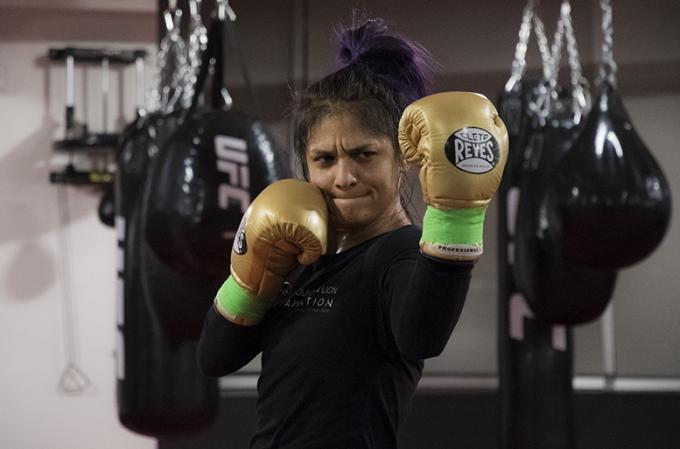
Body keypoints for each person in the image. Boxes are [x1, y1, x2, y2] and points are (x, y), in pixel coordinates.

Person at [197, 18, 508, 449]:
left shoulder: (399, 255)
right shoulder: (298, 251)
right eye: (324, 159)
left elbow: (422, 337)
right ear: (306, 166)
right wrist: (248, 282)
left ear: (403, 158)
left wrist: (455, 223)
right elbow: (214, 357)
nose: (344, 176)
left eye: (364, 154)